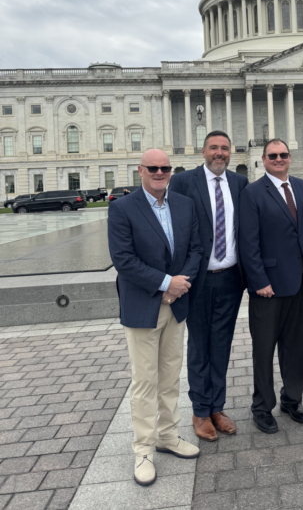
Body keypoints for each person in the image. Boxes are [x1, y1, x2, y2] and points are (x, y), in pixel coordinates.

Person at [107, 149, 202, 486]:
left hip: (175, 304)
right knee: (145, 381)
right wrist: (165, 283)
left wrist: (178, 286)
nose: (160, 172)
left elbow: (196, 250)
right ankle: (144, 449)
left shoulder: (184, 204)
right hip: (143, 305)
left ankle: (168, 435)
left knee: (171, 376)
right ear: (141, 171)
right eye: (153, 168)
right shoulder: (122, 208)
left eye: (165, 168)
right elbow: (123, 259)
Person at [169, 131, 248, 441]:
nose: (219, 153)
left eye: (224, 148)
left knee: (221, 345)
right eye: (214, 148)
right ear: (203, 151)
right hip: (198, 279)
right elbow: (174, 230)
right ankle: (200, 410)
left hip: (231, 279)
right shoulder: (183, 182)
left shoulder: (240, 183)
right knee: (199, 347)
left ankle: (217, 407)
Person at [239, 138, 303, 434]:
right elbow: (248, 242)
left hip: (298, 282)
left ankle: (292, 400)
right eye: (272, 155)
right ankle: (262, 407)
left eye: (283, 154)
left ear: (290, 157)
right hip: (268, 287)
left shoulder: (302, 187)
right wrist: (259, 281)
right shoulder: (252, 192)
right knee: (264, 350)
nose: (278, 159)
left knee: (295, 346)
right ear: (263, 159)